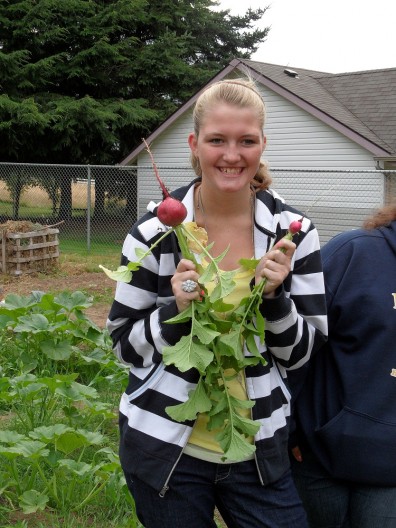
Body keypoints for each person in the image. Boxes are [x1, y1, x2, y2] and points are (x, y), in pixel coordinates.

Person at [106, 78, 327, 528]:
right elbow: (123, 346)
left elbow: (303, 354)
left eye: (246, 141)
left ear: (262, 144)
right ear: (195, 143)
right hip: (165, 444)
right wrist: (175, 310)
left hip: (257, 442)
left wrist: (274, 298)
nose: (232, 155)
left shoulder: (294, 234)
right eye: (217, 140)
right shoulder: (155, 234)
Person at [289, 202, 396, 528]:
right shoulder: (353, 253)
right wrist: (291, 433)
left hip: (389, 471)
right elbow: (293, 344)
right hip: (318, 456)